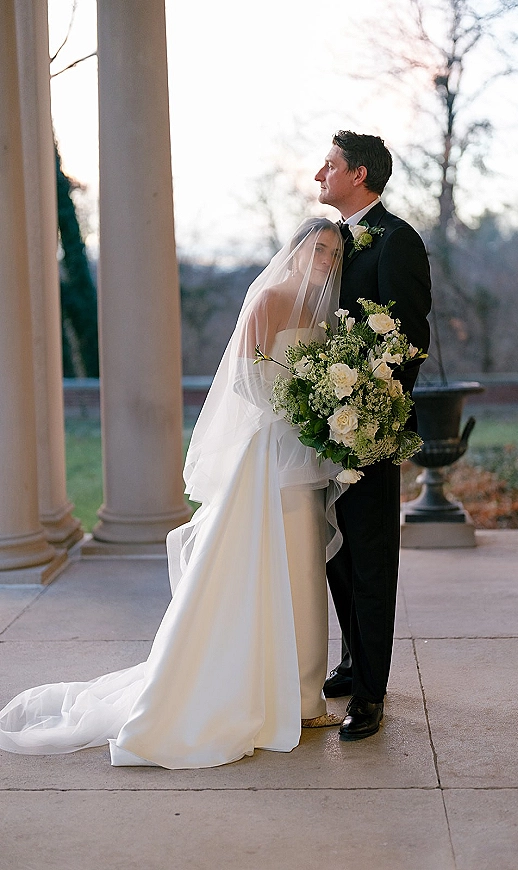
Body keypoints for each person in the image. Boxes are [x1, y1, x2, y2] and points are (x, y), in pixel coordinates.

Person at [0, 218, 344, 769]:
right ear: (299, 249)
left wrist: (322, 413)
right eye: (319, 248)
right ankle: (257, 692)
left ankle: (304, 695)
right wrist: (295, 408)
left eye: (333, 252)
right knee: (264, 567)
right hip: (268, 451)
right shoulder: (270, 301)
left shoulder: (321, 312)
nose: (326, 260)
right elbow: (243, 378)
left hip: (303, 454)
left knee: (302, 567)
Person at [315, 131, 431, 740]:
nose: (319, 175)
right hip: (323, 423)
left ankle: (371, 694)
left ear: (358, 175)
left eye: (328, 166)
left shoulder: (398, 241)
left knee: (371, 558)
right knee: (338, 552)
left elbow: (409, 339)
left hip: (371, 428)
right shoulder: (333, 241)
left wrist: (368, 407)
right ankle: (354, 658)